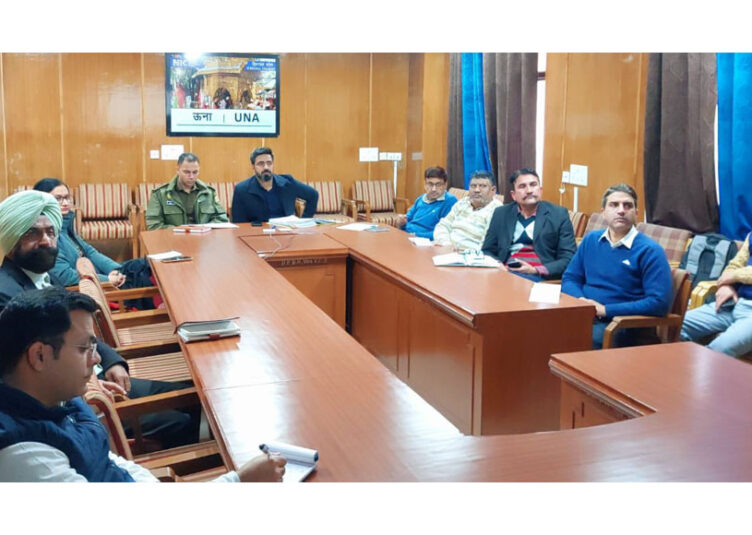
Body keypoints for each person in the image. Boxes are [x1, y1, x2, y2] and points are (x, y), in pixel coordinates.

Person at [0, 287, 286, 482]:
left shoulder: (57, 397)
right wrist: (238, 482)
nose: (96, 359)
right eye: (85, 348)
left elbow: (109, 461)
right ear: (39, 356)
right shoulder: (25, 457)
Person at [0, 190, 198, 449]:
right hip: (79, 401)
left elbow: (79, 334)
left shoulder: (43, 276)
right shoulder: (7, 295)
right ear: (11, 238)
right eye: (32, 234)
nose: (46, 241)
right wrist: (88, 387)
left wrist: (112, 360)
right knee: (183, 420)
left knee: (194, 397)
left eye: (50, 232)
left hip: (96, 376)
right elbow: (40, 369)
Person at [561, 184, 673, 349]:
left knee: (572, 339)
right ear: (603, 212)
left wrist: (605, 310)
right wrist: (582, 301)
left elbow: (659, 303)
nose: (621, 210)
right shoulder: (591, 240)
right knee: (540, 328)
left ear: (636, 213)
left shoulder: (650, 250)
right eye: (614, 205)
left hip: (622, 325)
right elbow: (570, 278)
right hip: (585, 314)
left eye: (627, 206)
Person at [32, 179, 155, 307]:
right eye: (58, 199)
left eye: (67, 198)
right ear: (43, 202)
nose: (65, 203)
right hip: (90, 289)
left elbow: (90, 252)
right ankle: (154, 314)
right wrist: (107, 279)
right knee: (141, 277)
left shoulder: (64, 225)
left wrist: (116, 270)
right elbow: (65, 277)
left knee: (146, 264)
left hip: (98, 276)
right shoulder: (47, 235)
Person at [482, 168, 576, 281]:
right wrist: (498, 264)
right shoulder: (501, 213)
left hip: (540, 276)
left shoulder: (559, 214)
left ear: (540, 190)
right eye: (522, 186)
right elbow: (487, 250)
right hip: (505, 272)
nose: (529, 190)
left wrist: (535, 270)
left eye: (533, 185)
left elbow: (568, 258)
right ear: (513, 195)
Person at [680, 233, 752, 357]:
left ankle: (693, 367)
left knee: (718, 350)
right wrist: (726, 285)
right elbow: (734, 265)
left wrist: (734, 276)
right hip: (733, 303)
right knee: (674, 326)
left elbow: (733, 273)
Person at [232, 147, 319, 224]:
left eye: (269, 163)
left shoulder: (288, 183)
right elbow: (239, 223)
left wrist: (303, 221)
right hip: (258, 233)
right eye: (261, 164)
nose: (266, 167)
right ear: (253, 167)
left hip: (286, 232)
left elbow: (313, 195)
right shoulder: (241, 190)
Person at [145, 152, 229, 230]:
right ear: (178, 170)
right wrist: (182, 230)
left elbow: (222, 219)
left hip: (203, 238)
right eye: (186, 172)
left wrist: (204, 228)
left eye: (195, 172)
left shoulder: (209, 193)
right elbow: (153, 225)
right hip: (173, 239)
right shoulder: (160, 194)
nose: (191, 176)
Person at [433, 170, 502, 251]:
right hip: (447, 249)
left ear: (493, 190)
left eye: (482, 186)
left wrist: (460, 252)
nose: (476, 190)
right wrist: (446, 243)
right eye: (473, 186)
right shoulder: (463, 203)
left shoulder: (497, 210)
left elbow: (487, 246)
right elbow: (443, 225)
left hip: (470, 255)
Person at [397, 166, 457, 240]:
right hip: (406, 235)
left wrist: (416, 235)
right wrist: (401, 222)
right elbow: (407, 219)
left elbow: (444, 232)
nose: (434, 189)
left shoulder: (450, 201)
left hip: (423, 240)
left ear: (445, 185)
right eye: (430, 184)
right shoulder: (421, 198)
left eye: (438, 185)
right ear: (425, 184)